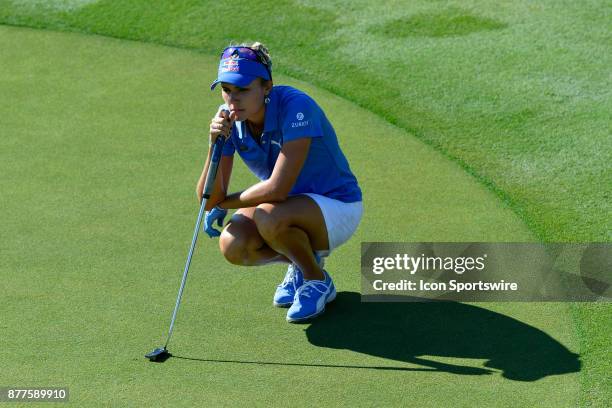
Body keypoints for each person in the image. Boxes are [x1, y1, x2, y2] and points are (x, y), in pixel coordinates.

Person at [196, 42, 363, 322]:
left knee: (267, 215)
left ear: (267, 87)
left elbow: (277, 188)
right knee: (232, 244)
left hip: (337, 206)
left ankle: (316, 279)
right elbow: (208, 199)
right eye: (227, 90)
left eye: (243, 89)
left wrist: (225, 202)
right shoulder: (228, 121)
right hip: (282, 207)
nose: (232, 99)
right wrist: (214, 144)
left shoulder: (296, 107)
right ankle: (301, 262)